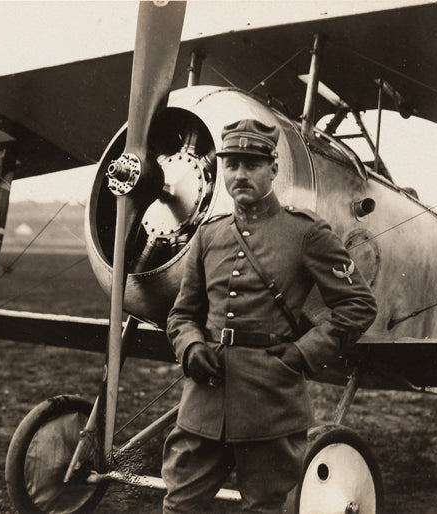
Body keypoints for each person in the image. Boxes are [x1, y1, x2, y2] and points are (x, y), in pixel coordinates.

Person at [161, 118, 378, 513]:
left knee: (263, 507)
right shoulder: (209, 236)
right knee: (179, 505)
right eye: (231, 165)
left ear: (273, 169)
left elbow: (358, 304)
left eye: (252, 164)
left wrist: (302, 354)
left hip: (270, 401)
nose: (240, 174)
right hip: (205, 401)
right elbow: (182, 314)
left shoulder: (305, 233)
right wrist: (191, 346)